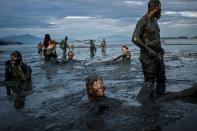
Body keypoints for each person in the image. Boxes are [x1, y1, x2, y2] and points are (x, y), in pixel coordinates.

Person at [132, 0, 166, 98]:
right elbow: (135, 38)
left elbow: (155, 37)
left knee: (162, 78)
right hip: (147, 56)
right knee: (150, 81)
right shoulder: (143, 20)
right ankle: (146, 103)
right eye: (160, 7)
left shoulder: (154, 21)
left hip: (158, 55)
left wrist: (160, 49)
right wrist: (148, 49)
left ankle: (161, 98)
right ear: (155, 8)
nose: (161, 10)